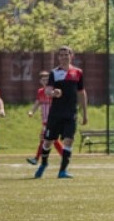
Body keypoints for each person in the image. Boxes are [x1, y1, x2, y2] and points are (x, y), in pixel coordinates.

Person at [34, 46, 88, 179]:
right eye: (61, 55)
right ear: (58, 57)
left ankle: (62, 171)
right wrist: (54, 93)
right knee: (48, 142)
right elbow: (47, 91)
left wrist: (85, 113)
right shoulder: (54, 73)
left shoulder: (78, 72)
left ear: (71, 55)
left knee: (69, 140)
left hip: (71, 113)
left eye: (66, 54)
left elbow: (81, 93)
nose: (64, 57)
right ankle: (44, 163)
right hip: (56, 113)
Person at [26, 71, 64, 165]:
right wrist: (31, 111)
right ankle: (65, 156)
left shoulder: (54, 91)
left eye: (47, 79)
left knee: (46, 139)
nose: (46, 81)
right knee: (52, 140)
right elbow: (38, 103)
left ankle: (36, 159)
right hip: (45, 121)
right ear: (40, 81)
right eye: (44, 80)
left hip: (53, 120)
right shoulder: (40, 92)